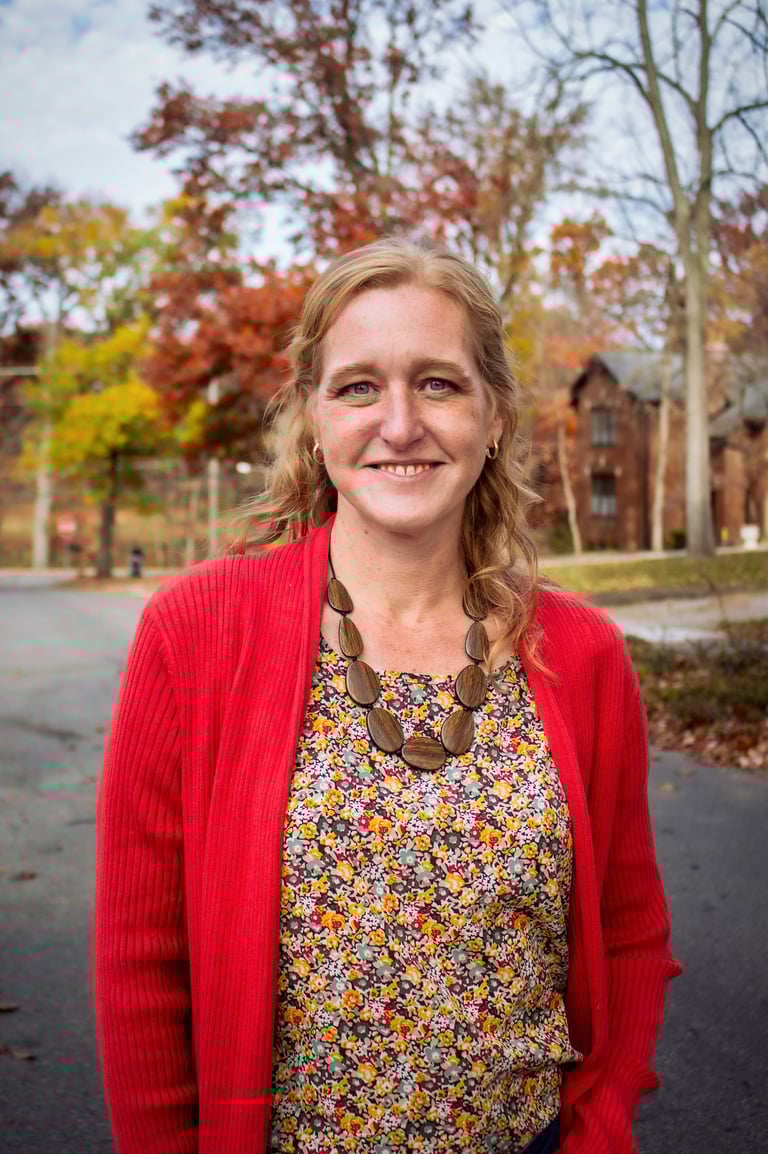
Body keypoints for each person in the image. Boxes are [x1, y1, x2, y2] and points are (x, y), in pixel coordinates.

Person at [90, 236, 681, 1154]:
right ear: (314, 419)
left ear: (492, 418)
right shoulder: (196, 629)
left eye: (439, 384)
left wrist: (598, 1130)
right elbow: (142, 966)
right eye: (359, 386)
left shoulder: (584, 653)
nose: (399, 423)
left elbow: (633, 934)